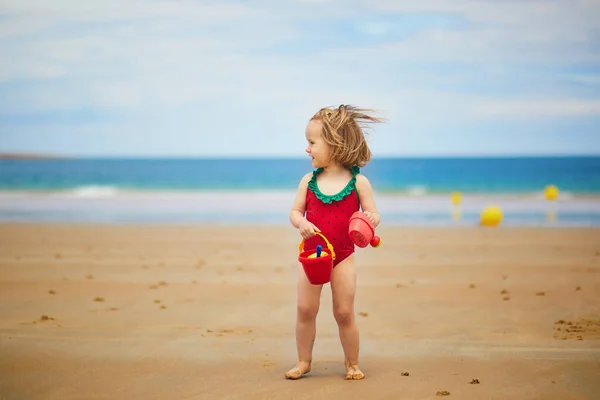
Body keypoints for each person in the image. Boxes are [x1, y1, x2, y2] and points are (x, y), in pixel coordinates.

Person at [286, 104, 383, 380]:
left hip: (343, 255)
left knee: (343, 312)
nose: (307, 149)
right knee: (305, 309)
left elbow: (372, 212)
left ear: (334, 143)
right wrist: (302, 223)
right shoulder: (309, 181)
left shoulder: (358, 182)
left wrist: (371, 221)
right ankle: (304, 361)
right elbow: (294, 212)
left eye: (312, 142)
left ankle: (352, 363)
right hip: (312, 256)